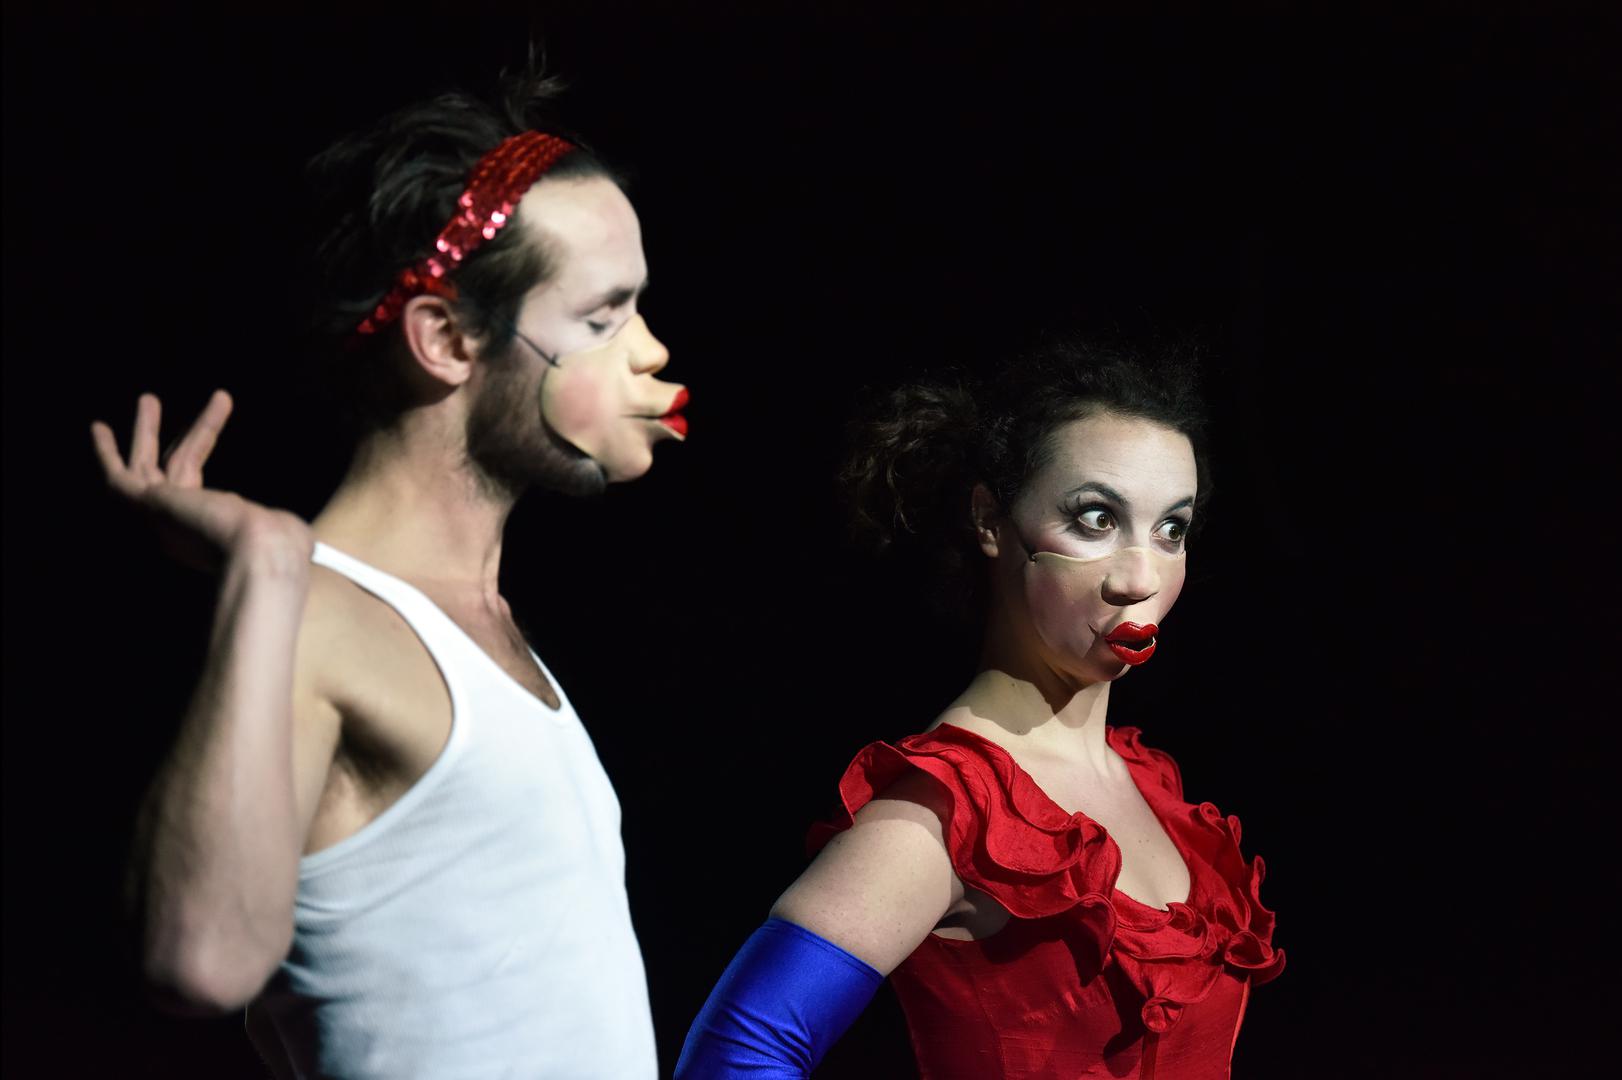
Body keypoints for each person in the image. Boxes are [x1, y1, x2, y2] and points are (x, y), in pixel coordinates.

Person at [89, 71, 685, 1079]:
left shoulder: (480, 625)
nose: (652, 352)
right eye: (601, 318)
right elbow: (200, 962)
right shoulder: (314, 612)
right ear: (446, 340)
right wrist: (268, 565)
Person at [677, 341, 1284, 1079]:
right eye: (1096, 518)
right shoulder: (946, 813)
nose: (1141, 577)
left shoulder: (1150, 783)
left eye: (1171, 530)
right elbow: (741, 1050)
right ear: (990, 520)